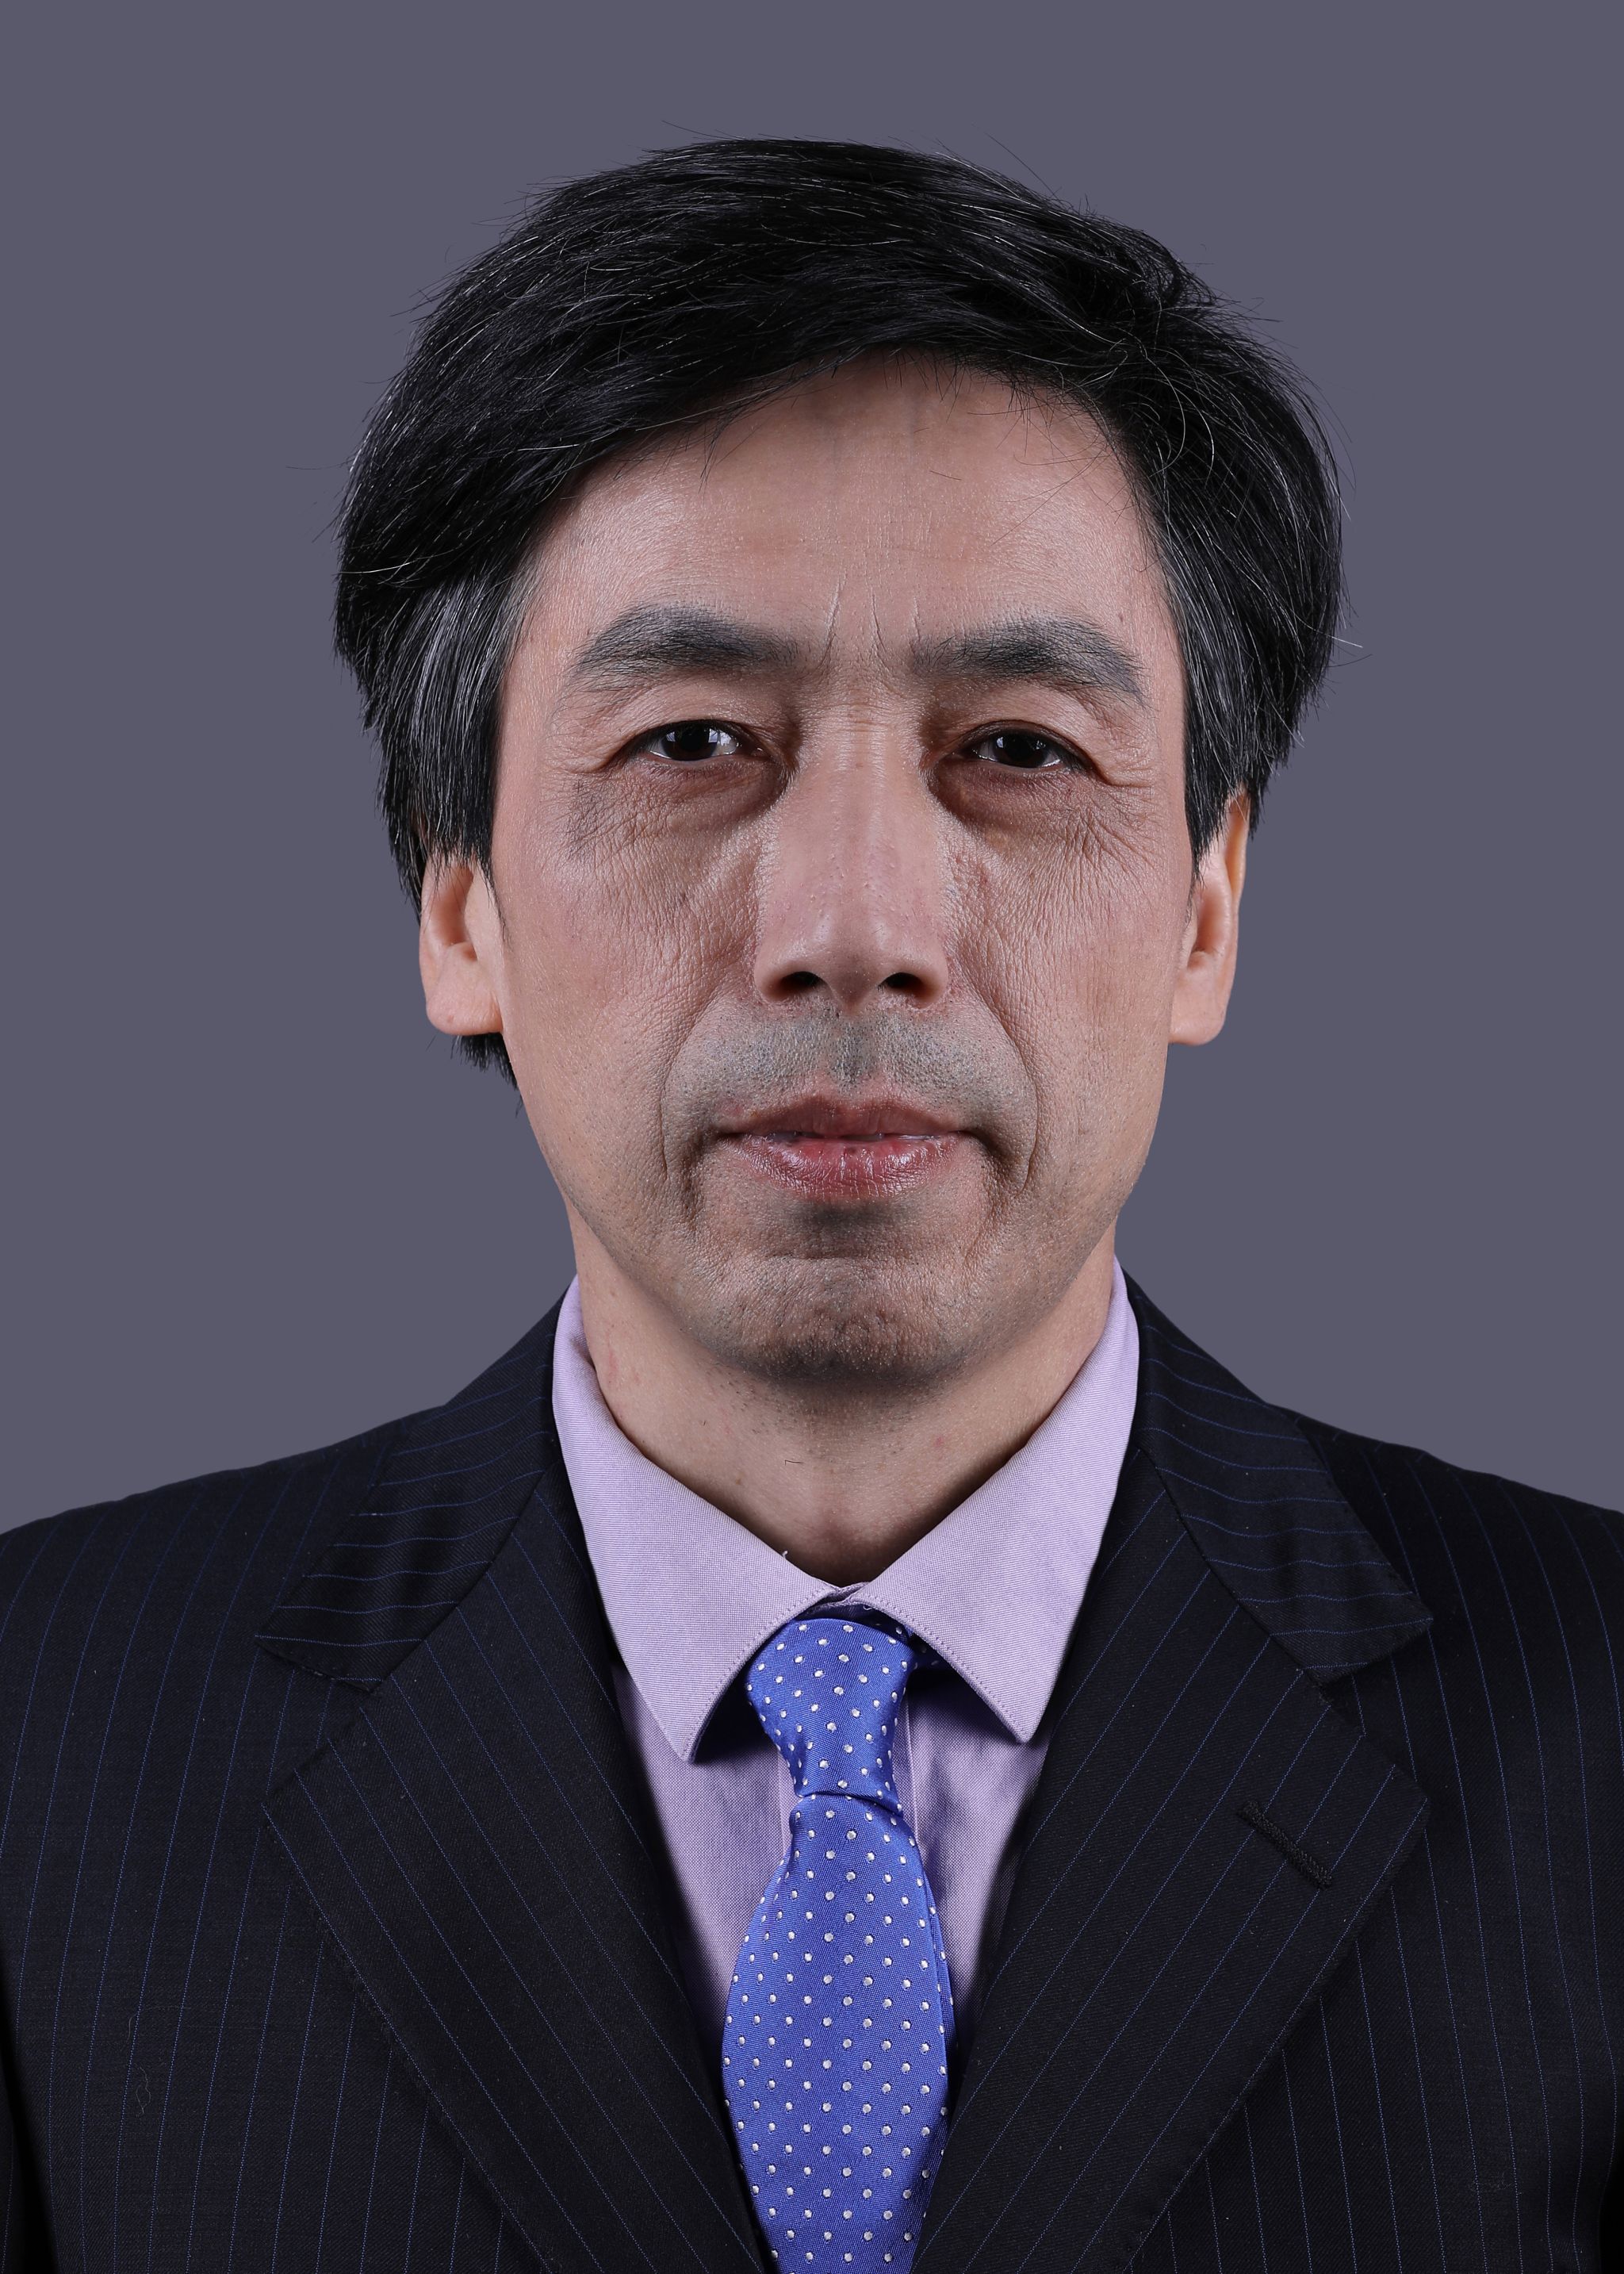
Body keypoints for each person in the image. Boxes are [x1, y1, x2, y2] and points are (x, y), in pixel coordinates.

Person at [0, 139, 1616, 2274]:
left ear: (1209, 905)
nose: (856, 927)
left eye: (1018, 750)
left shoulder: (1596, 1727)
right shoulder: (42, 1735)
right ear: (458, 900)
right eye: (692, 741)